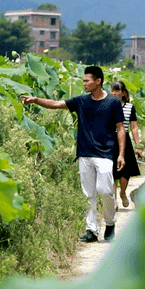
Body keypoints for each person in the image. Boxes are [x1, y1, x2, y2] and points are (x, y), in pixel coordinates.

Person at [21, 66, 125, 243]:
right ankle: (91, 230)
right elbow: (57, 104)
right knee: (88, 194)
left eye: (87, 81)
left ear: (98, 81)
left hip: (105, 154)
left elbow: (120, 129)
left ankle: (109, 223)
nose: (84, 83)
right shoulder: (81, 101)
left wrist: (121, 154)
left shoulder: (113, 103)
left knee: (105, 190)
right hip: (84, 153)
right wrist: (36, 100)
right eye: (83, 81)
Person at [110, 81, 143, 208]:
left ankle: (123, 193)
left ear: (123, 93)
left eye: (117, 90)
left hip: (125, 141)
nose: (114, 93)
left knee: (125, 171)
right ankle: (114, 200)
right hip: (111, 140)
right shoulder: (108, 105)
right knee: (111, 171)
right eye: (112, 90)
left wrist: (138, 146)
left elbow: (134, 127)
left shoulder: (130, 107)